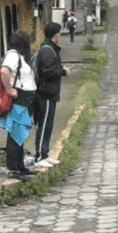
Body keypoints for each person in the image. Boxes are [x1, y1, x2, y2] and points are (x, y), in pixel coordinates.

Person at [0, 30, 37, 181]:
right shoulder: (14, 55)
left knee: (20, 134)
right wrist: (9, 89)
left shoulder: (19, 56)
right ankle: (13, 168)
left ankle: (20, 166)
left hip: (26, 98)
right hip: (20, 98)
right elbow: (4, 71)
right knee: (15, 134)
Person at [32, 22, 69, 168]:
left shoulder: (50, 49)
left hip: (50, 93)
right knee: (44, 124)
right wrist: (63, 72)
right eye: (59, 33)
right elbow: (48, 72)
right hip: (45, 93)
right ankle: (40, 156)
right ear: (55, 36)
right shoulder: (47, 51)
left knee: (48, 125)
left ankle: (45, 154)